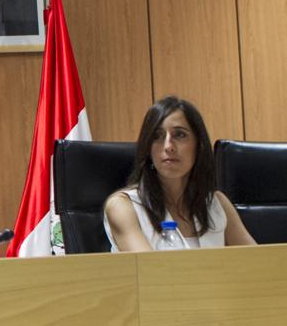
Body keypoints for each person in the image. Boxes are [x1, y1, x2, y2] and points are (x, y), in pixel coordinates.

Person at [104, 96, 255, 252]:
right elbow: (148, 272)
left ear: (199, 146)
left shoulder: (217, 204)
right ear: (148, 149)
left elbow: (261, 262)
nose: (168, 146)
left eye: (179, 135)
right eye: (157, 136)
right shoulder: (123, 207)